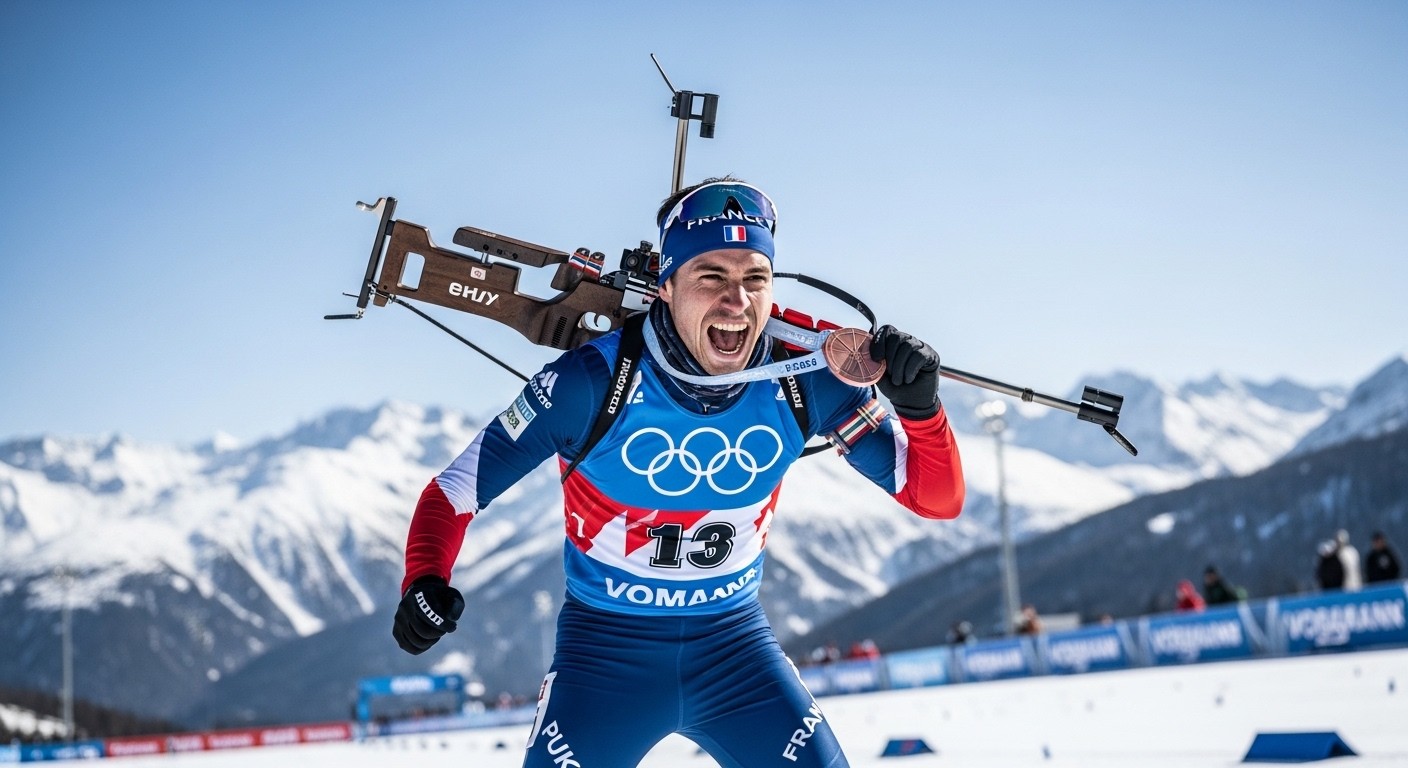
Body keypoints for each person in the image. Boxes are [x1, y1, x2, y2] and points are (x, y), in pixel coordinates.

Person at [389, 178, 966, 767]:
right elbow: (456, 489)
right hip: (604, 660)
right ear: (665, 287)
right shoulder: (590, 384)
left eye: (755, 278)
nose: (736, 302)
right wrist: (424, 578)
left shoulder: (808, 378)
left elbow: (935, 499)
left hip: (738, 655)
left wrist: (921, 410)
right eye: (710, 276)